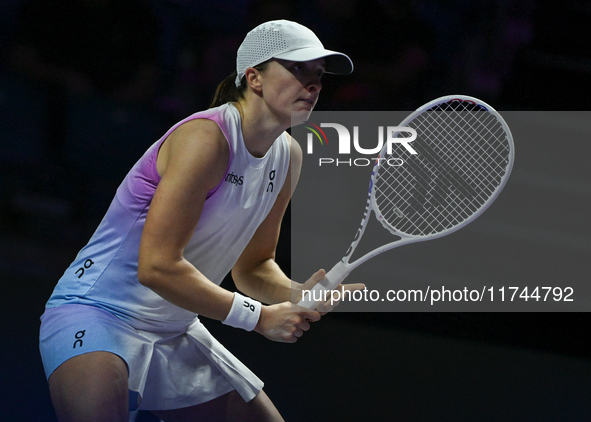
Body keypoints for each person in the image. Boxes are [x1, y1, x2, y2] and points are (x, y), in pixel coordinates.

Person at [39, 20, 362, 421]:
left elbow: (254, 266)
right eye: (298, 69)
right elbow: (157, 267)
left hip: (175, 328)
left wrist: (295, 292)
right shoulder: (206, 139)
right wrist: (259, 318)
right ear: (254, 78)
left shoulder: (288, 157)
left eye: (318, 75)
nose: (313, 84)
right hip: (99, 311)